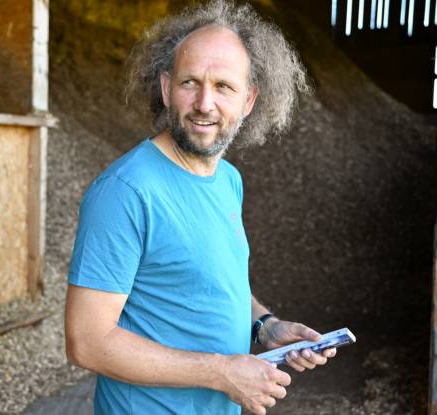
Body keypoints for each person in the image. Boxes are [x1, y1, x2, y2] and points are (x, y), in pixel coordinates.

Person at [65, 1, 336, 414]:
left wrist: (265, 327)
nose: (205, 103)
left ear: (248, 100)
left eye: (224, 87)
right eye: (190, 82)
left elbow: (213, 282)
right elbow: (87, 342)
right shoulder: (125, 192)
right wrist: (220, 372)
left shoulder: (227, 181)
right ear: (165, 88)